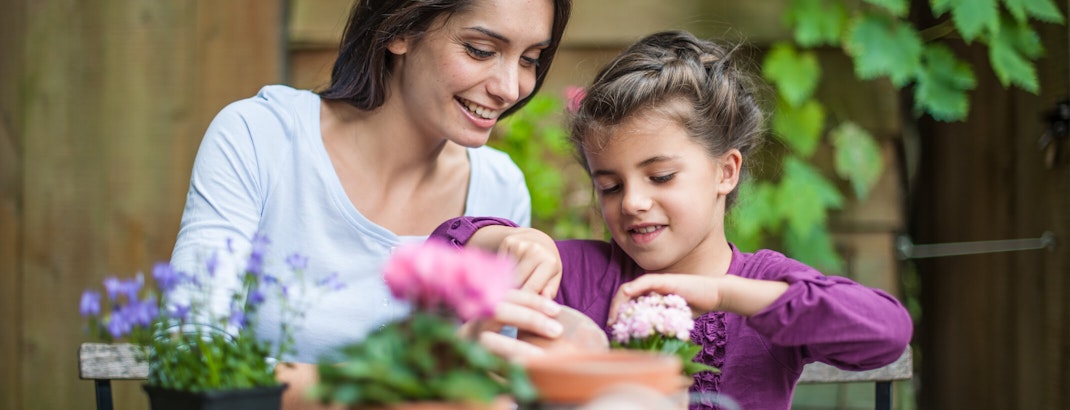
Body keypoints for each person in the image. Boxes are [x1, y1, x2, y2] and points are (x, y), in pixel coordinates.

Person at [431, 30, 913, 409]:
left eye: (660, 177)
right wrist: (507, 241)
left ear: (726, 171)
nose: (633, 202)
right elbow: (437, 255)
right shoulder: (576, 273)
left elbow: (887, 333)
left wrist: (727, 295)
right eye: (610, 186)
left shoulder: (763, 284)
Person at [168, 0, 571, 407]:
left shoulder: (500, 188)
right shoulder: (260, 139)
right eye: (480, 50)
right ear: (399, 29)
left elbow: (495, 383)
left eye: (530, 59)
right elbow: (191, 364)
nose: (509, 87)